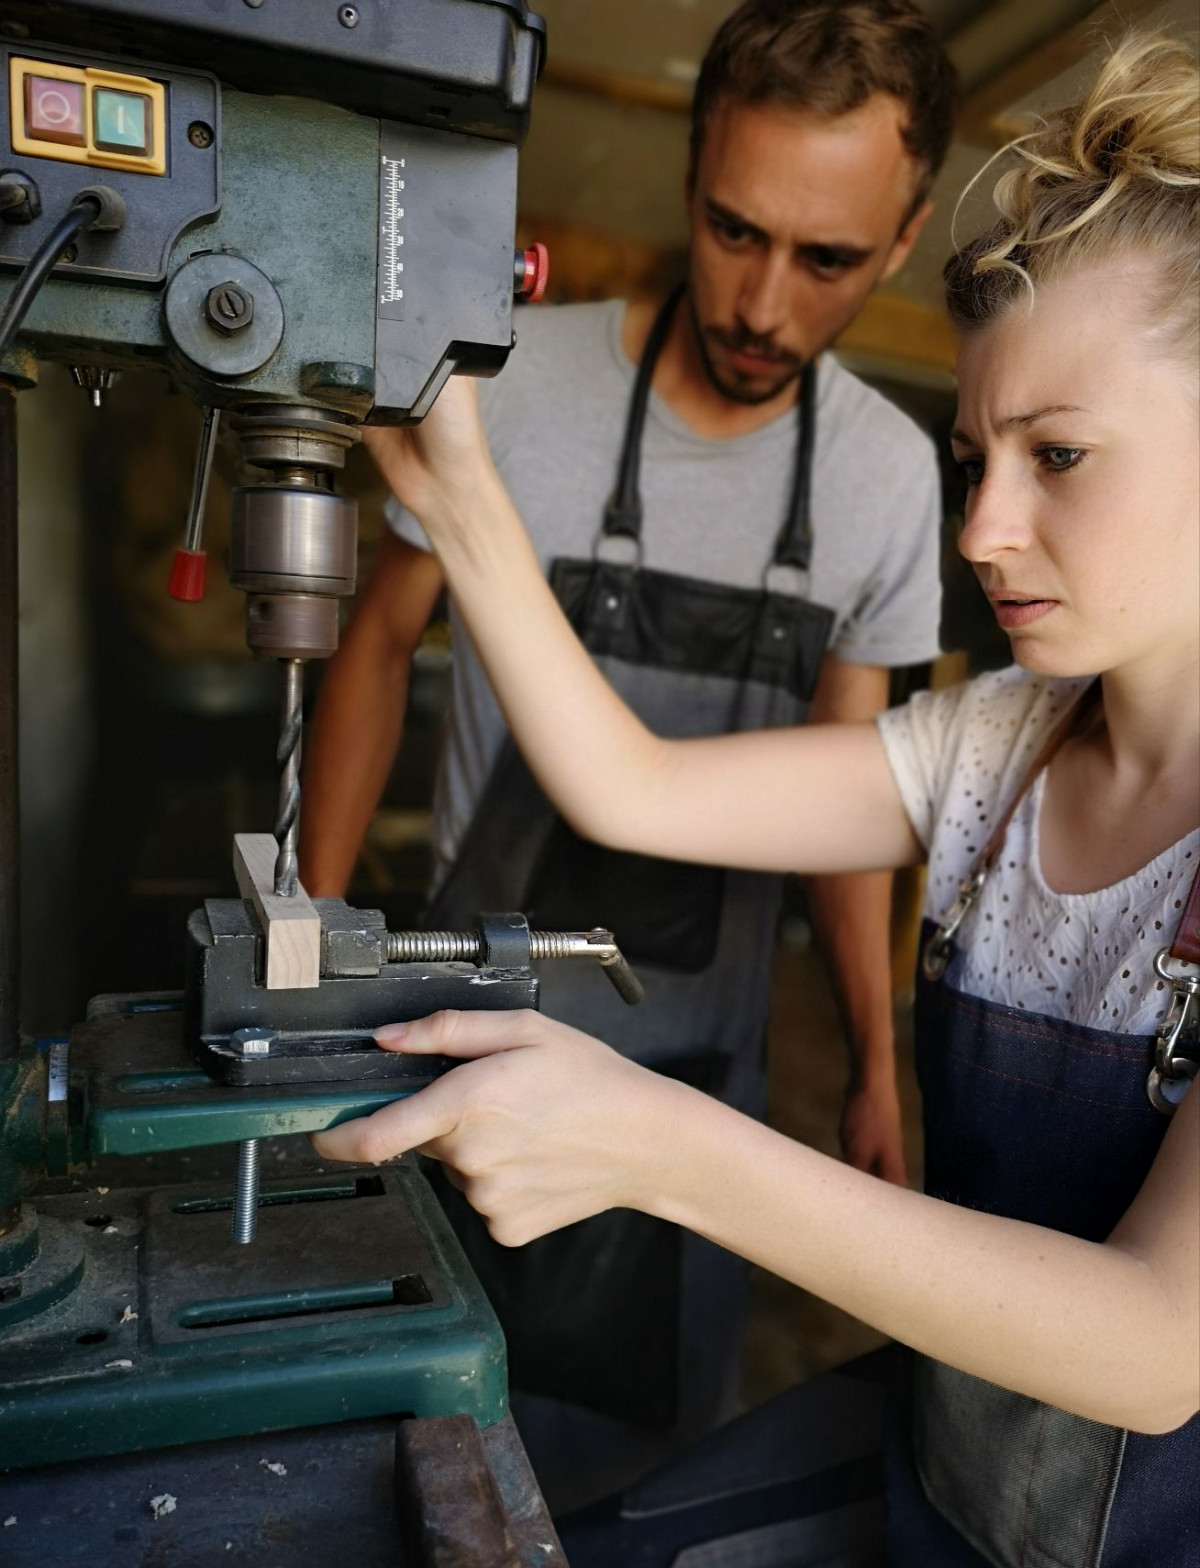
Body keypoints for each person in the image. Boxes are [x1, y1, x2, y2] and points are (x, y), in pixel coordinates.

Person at [316, 32, 1200, 1566]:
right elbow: (628, 783)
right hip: (955, 1462)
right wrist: (461, 492)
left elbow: (1154, 1343)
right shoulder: (996, 746)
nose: (985, 529)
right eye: (974, 455)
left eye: (1059, 456)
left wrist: (669, 1148)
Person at [302, 0, 956, 1499]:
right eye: (735, 232)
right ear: (689, 176)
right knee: (403, 1433)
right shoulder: (509, 384)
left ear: (907, 236)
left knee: (629, 1469)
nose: (763, 304)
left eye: (827, 260)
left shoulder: (889, 479)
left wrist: (872, 1062)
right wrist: (312, 928)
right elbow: (379, 645)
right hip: (452, 1013)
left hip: (698, 1075)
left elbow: (859, 801)